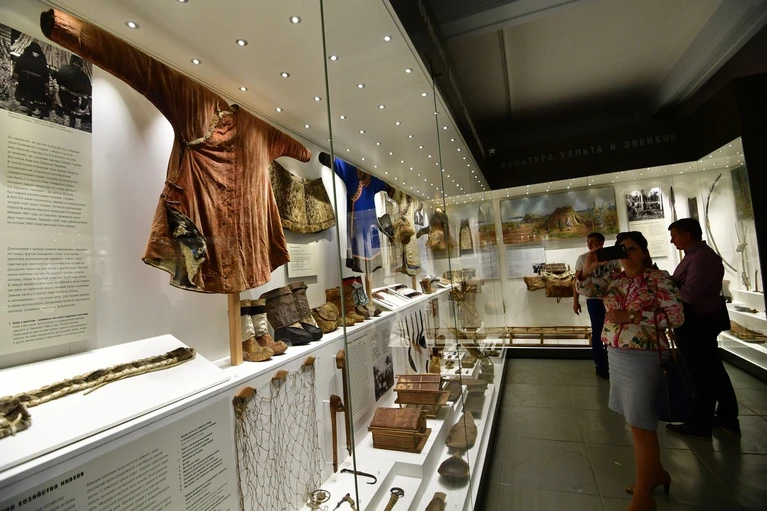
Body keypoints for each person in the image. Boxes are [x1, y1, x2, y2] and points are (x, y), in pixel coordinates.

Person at [579, 232, 684, 511]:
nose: (626, 254)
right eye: (621, 249)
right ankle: (656, 474)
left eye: (632, 249)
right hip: (617, 353)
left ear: (644, 252)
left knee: (641, 425)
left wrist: (634, 316)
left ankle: (643, 498)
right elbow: (587, 289)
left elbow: (676, 316)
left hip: (644, 354)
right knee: (637, 421)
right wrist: (588, 268)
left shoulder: (657, 279)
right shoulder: (615, 280)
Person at [666, 218, 740, 438]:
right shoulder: (693, 256)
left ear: (688, 235)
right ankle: (726, 416)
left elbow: (689, 294)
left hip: (698, 322)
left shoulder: (702, 258)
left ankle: (701, 422)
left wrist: (667, 287)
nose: (672, 241)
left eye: (675, 236)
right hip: (695, 320)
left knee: (701, 373)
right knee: (712, 370)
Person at [575, 232, 620, 379]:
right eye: (588, 242)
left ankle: (612, 364)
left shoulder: (612, 257)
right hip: (593, 299)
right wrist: (575, 301)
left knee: (612, 329)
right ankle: (600, 366)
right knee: (597, 331)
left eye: (592, 241)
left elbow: (619, 277)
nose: (589, 245)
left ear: (601, 242)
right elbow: (577, 280)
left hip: (611, 299)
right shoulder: (583, 258)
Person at [12, 42, 52, 118]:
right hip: (26, 79)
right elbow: (18, 68)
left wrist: (46, 85)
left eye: (37, 53)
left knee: (38, 95)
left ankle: (36, 106)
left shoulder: (41, 60)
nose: (35, 55)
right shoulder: (24, 57)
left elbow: (45, 73)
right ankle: (27, 104)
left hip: (37, 82)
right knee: (26, 92)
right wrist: (16, 78)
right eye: (34, 53)